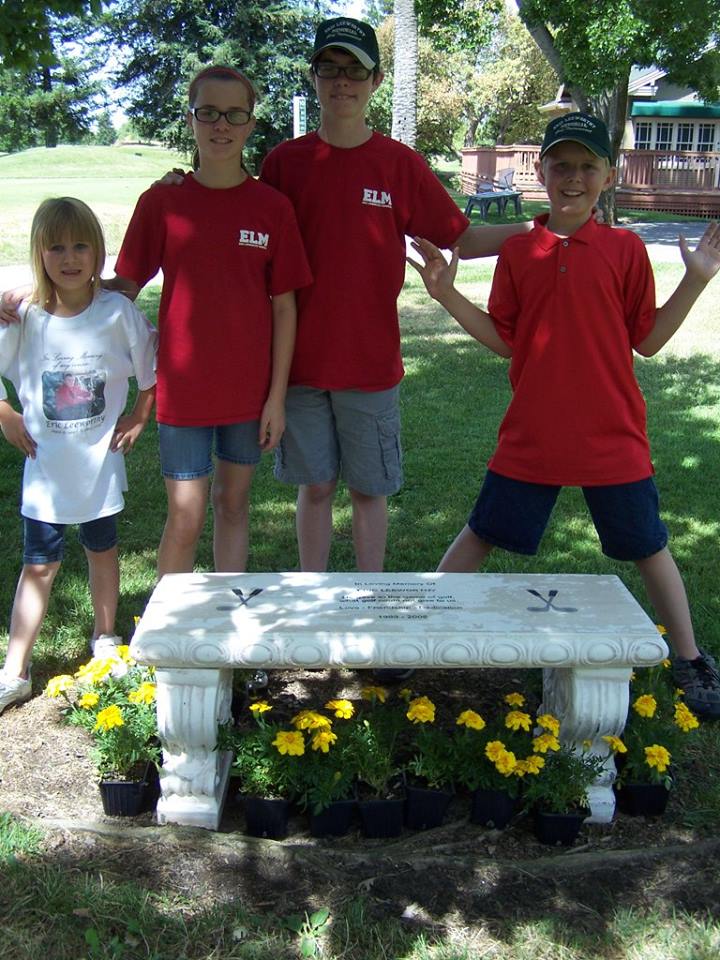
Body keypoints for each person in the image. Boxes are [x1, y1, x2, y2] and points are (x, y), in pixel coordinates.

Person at [410, 111, 720, 719]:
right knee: (481, 532)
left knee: (648, 543)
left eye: (587, 166)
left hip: (613, 435)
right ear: (542, 172)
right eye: (561, 165)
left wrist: (697, 281)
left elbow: (649, 340)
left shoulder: (625, 249)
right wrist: (446, 295)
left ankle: (688, 658)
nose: (573, 178)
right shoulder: (521, 250)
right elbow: (506, 339)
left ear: (607, 174)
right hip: (534, 434)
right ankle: (420, 635)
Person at [259, 16, 529, 575]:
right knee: (315, 490)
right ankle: (314, 601)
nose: (342, 82)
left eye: (354, 71)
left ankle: (373, 605)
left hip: (370, 364)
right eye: (330, 69)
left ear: (376, 80)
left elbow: (464, 237)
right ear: (313, 78)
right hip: (299, 367)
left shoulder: (400, 166)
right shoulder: (284, 165)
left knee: (367, 493)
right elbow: (247, 242)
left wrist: (536, 230)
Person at [107, 66, 312, 577]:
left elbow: (285, 306)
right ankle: (167, 639)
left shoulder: (272, 208)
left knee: (233, 505)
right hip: (183, 390)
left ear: (250, 123)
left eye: (235, 114)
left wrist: (277, 398)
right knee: (185, 513)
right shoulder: (163, 202)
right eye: (209, 113)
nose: (221, 125)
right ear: (191, 119)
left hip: (248, 392)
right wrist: (43, 291)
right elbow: (123, 290)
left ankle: (226, 625)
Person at [0, 197, 157, 715]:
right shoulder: (23, 317)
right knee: (39, 565)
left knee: (101, 550)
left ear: (99, 251)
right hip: (45, 470)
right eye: (57, 246)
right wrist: (6, 414)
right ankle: (15, 669)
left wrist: (138, 416)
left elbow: (151, 371)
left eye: (81, 245)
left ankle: (106, 636)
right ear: (39, 254)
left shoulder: (117, 314)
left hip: (99, 467)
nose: (70, 257)